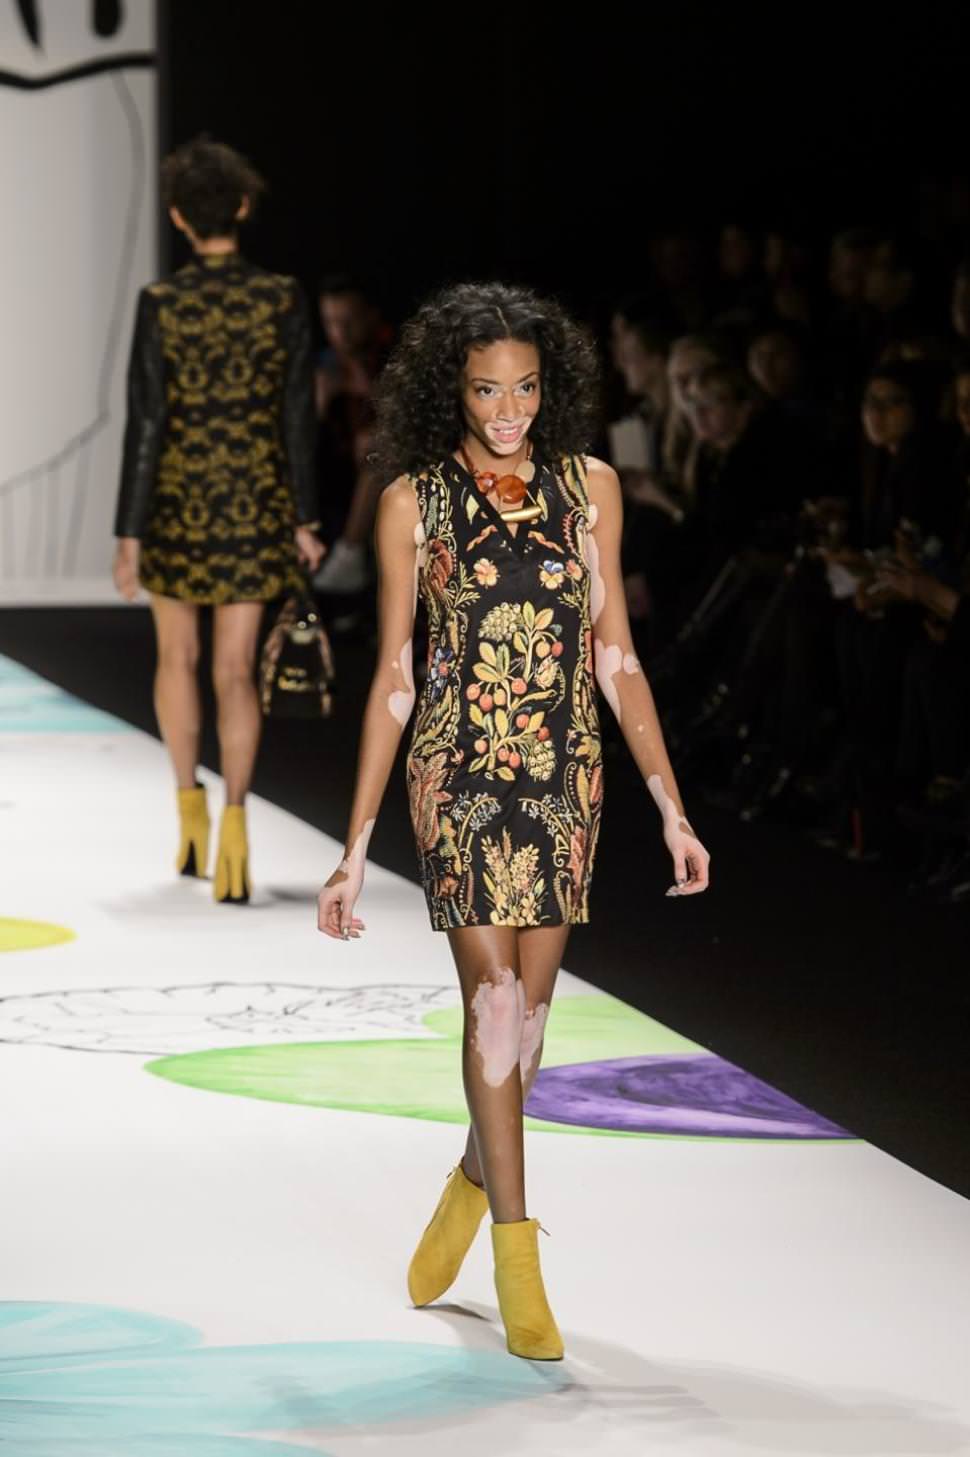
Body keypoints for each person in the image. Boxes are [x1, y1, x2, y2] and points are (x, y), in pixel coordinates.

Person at [316, 281, 710, 1361]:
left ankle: (467, 1181)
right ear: (451, 387)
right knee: (493, 1006)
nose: (507, 410)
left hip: (563, 769)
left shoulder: (590, 487)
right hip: (457, 768)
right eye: (487, 389)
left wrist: (672, 808)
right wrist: (354, 846)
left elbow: (615, 654)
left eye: (526, 388)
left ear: (552, 386)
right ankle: (517, 1254)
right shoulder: (413, 499)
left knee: (527, 1027)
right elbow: (395, 673)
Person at [113, 137, 324, 902]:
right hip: (253, 500)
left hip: (177, 499)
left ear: (177, 216)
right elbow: (298, 415)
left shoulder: (161, 303)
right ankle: (236, 822)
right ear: (240, 206)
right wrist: (305, 515)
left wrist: (129, 532)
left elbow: (146, 422)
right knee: (235, 670)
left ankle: (190, 816)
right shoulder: (282, 298)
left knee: (177, 659)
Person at [311, 274, 393, 595]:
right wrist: (320, 407)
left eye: (348, 321)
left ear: (371, 316)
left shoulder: (398, 358)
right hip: (336, 478)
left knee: (378, 446)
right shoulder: (324, 368)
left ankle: (350, 551)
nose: (340, 333)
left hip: (392, 473)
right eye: (330, 323)